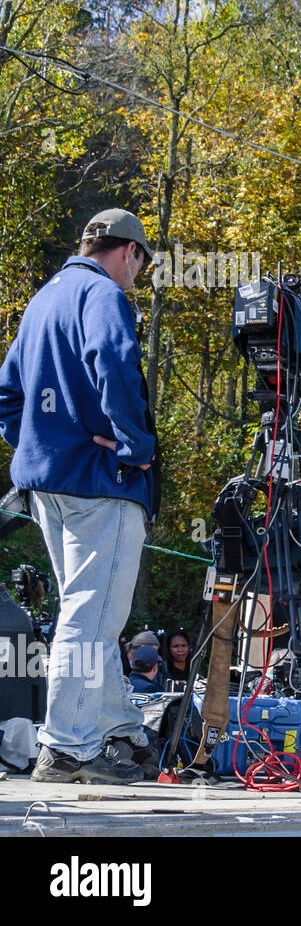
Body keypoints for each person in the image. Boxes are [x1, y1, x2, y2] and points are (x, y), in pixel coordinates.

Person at [0, 208, 159, 784]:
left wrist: (42, 444)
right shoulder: (104, 295)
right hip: (101, 484)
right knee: (90, 619)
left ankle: (119, 730)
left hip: (46, 482)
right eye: (140, 264)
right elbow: (115, 362)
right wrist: (133, 445)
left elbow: (7, 395)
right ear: (129, 252)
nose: (136, 276)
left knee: (88, 614)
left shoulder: (43, 298)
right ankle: (67, 745)